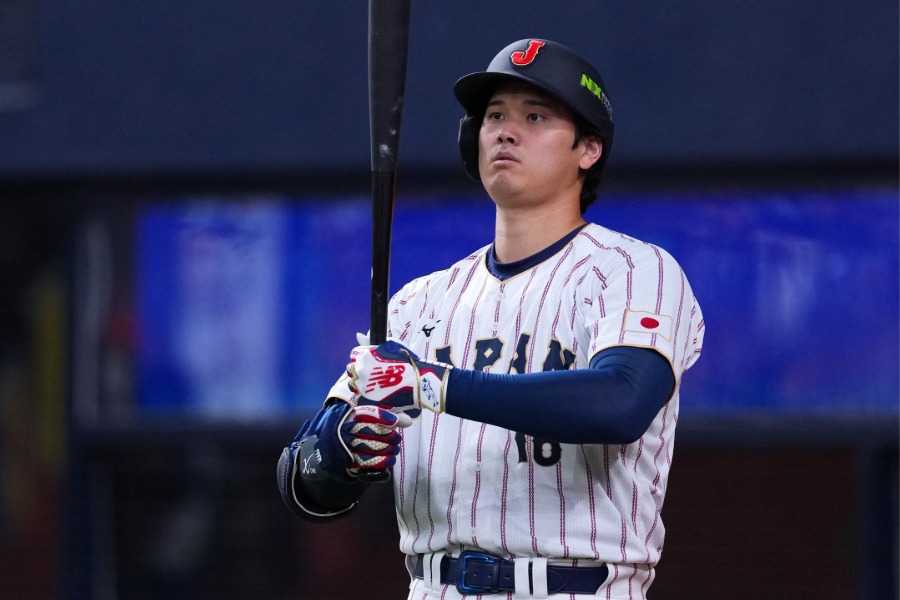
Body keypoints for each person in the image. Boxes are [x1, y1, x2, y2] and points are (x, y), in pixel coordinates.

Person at [278, 38, 705, 599]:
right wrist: (343, 449)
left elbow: (621, 403)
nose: (507, 130)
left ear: (588, 149)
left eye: (536, 116)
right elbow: (301, 482)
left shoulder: (633, 270)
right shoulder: (418, 302)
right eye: (495, 116)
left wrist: (432, 384)